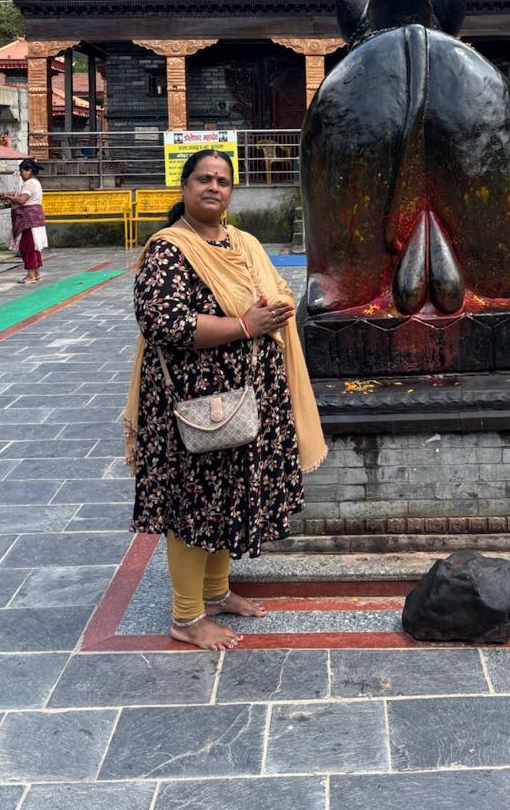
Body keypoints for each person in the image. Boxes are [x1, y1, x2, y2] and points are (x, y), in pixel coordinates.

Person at [123, 149, 327, 650]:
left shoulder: (244, 243)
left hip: (246, 396)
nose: (214, 187)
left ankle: (215, 593)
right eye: (203, 179)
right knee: (193, 503)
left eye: (222, 181)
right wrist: (244, 324)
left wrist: (268, 308)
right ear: (185, 188)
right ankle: (187, 617)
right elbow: (163, 322)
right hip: (194, 405)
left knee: (227, 494)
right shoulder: (169, 249)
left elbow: (278, 291)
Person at [0, 158, 48, 284]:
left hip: (28, 220)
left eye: (22, 171)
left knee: (27, 247)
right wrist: (10, 195)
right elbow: (20, 195)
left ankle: (31, 275)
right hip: (34, 219)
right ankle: (35, 274)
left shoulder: (29, 184)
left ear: (29, 170)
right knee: (33, 247)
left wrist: (8, 197)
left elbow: (22, 200)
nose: (21, 174)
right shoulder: (33, 183)